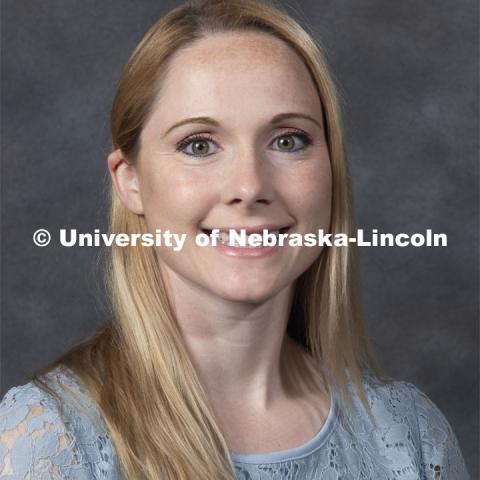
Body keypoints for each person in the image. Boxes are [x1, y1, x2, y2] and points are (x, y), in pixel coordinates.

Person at [0, 0, 470, 478]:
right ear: (131, 181)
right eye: (199, 145)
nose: (249, 187)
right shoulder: (49, 439)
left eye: (288, 140)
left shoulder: (411, 437)